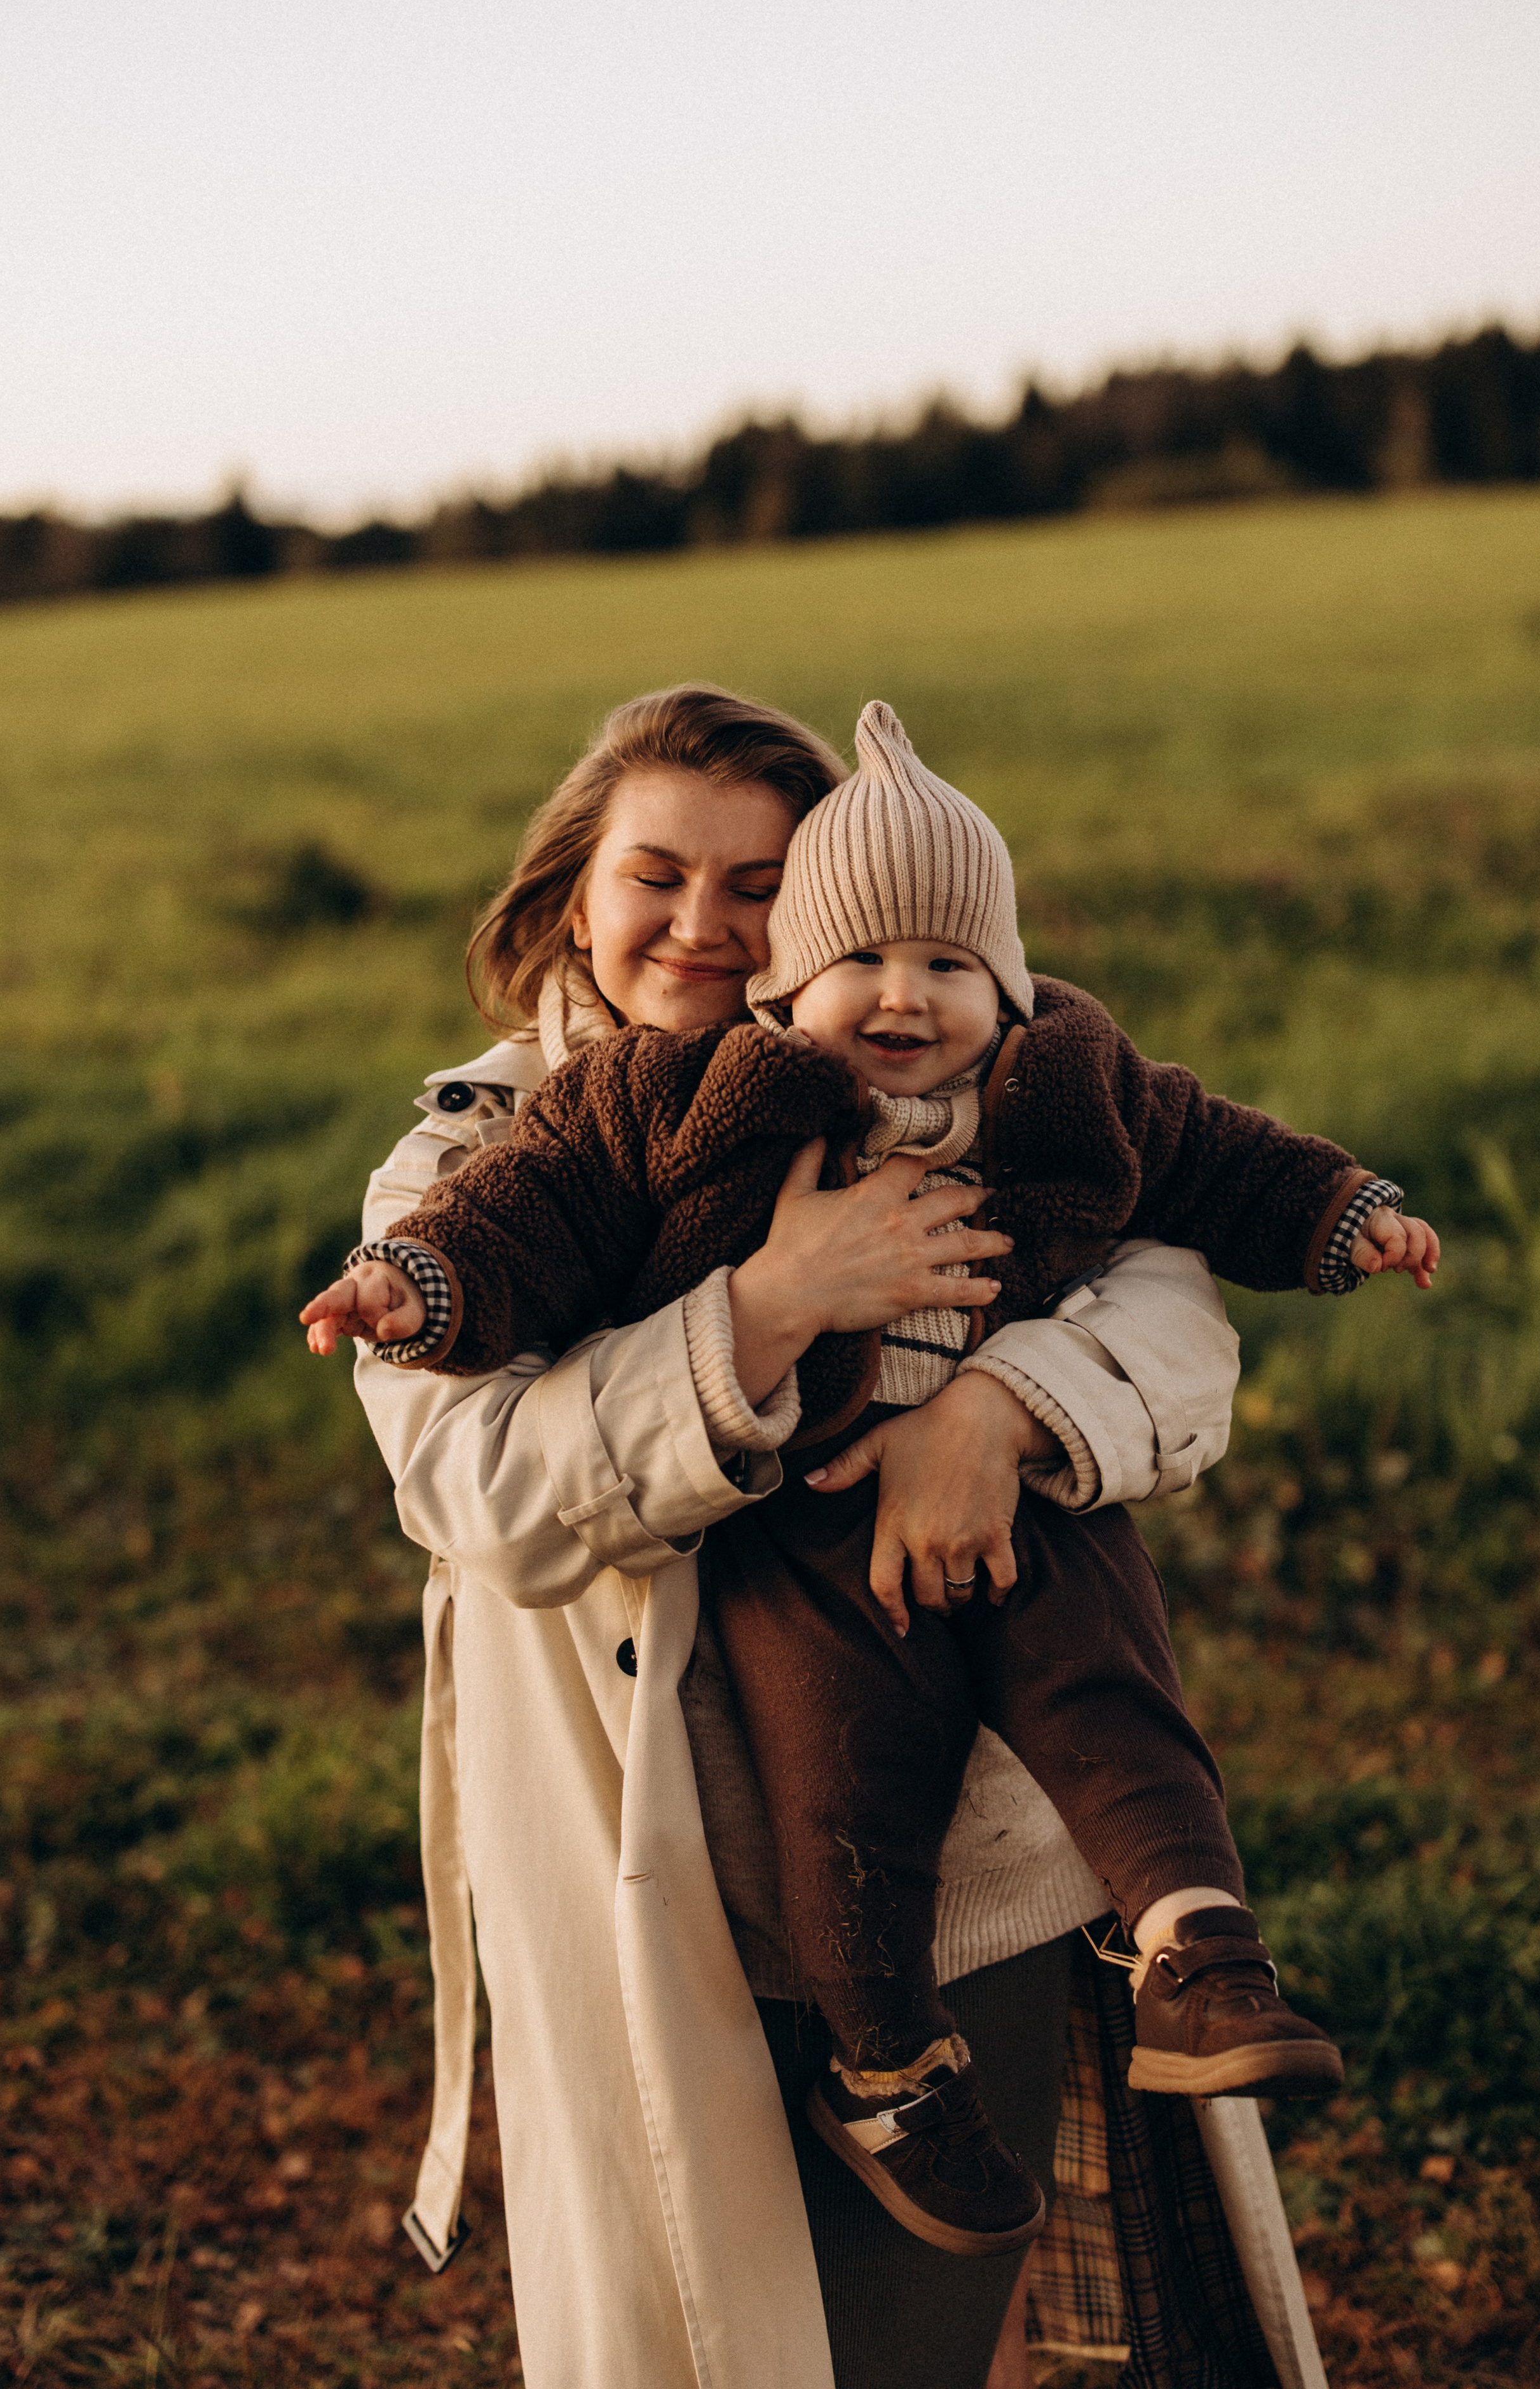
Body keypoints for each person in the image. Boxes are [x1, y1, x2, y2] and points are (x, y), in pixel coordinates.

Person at [312, 701, 1437, 2265]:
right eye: (654, 876)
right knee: (725, 2305)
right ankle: (884, 2062)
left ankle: (1190, 1932)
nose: (704, 926)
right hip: (653, 1827)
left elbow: (1172, 1288)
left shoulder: (998, 1072)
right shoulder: (482, 1153)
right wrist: (773, 1306)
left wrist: (994, 1409)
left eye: (759, 882)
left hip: (980, 1807)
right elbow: (481, 1490)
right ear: (576, 892)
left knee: (955, 2299)